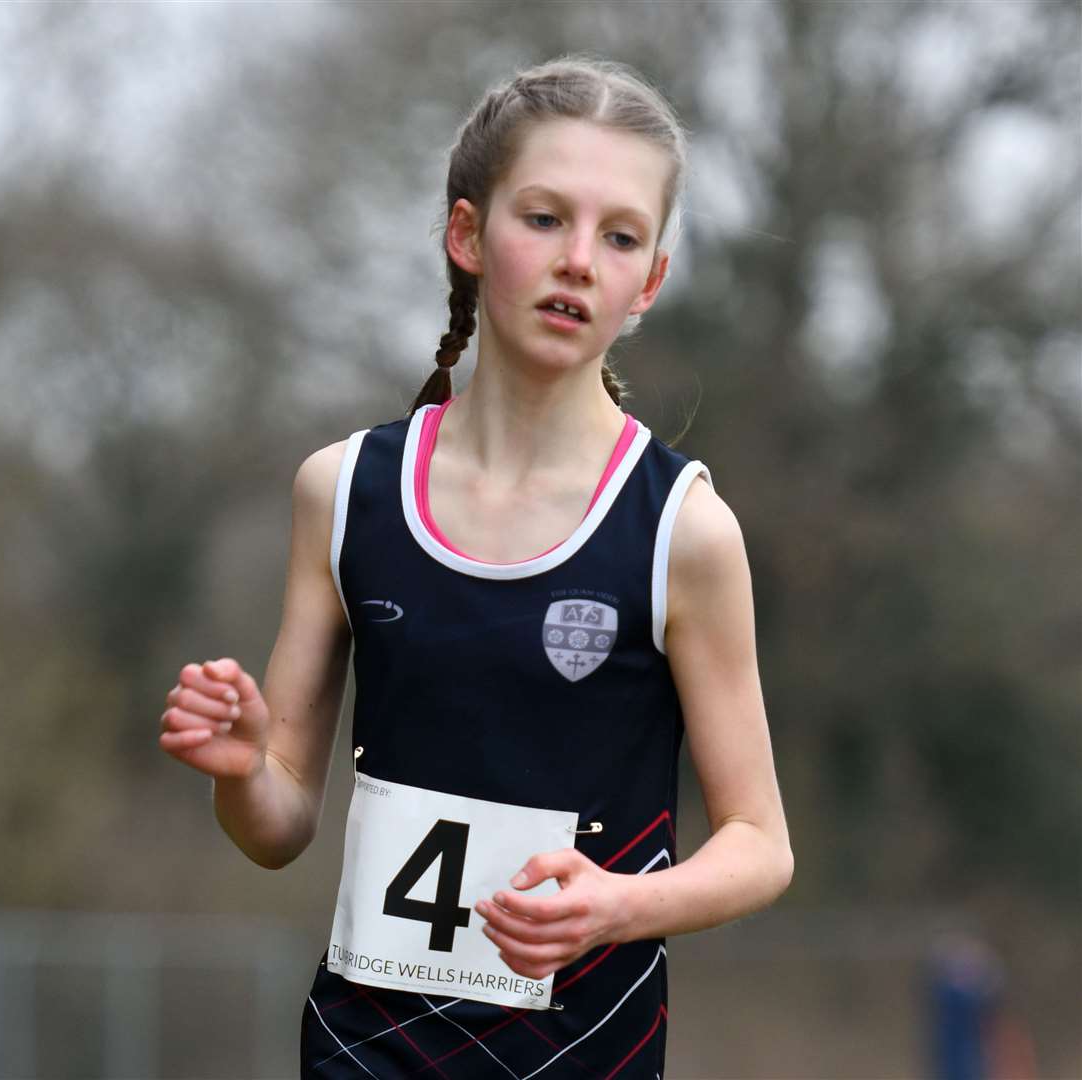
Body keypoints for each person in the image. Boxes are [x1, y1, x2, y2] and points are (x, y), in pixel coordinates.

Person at [159, 55, 794, 1079]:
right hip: (363, 1052)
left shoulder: (683, 528)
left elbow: (760, 843)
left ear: (649, 282)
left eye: (619, 236)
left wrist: (617, 904)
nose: (578, 259)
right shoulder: (343, 490)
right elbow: (279, 824)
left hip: (582, 1053)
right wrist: (242, 771)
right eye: (542, 219)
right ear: (466, 234)